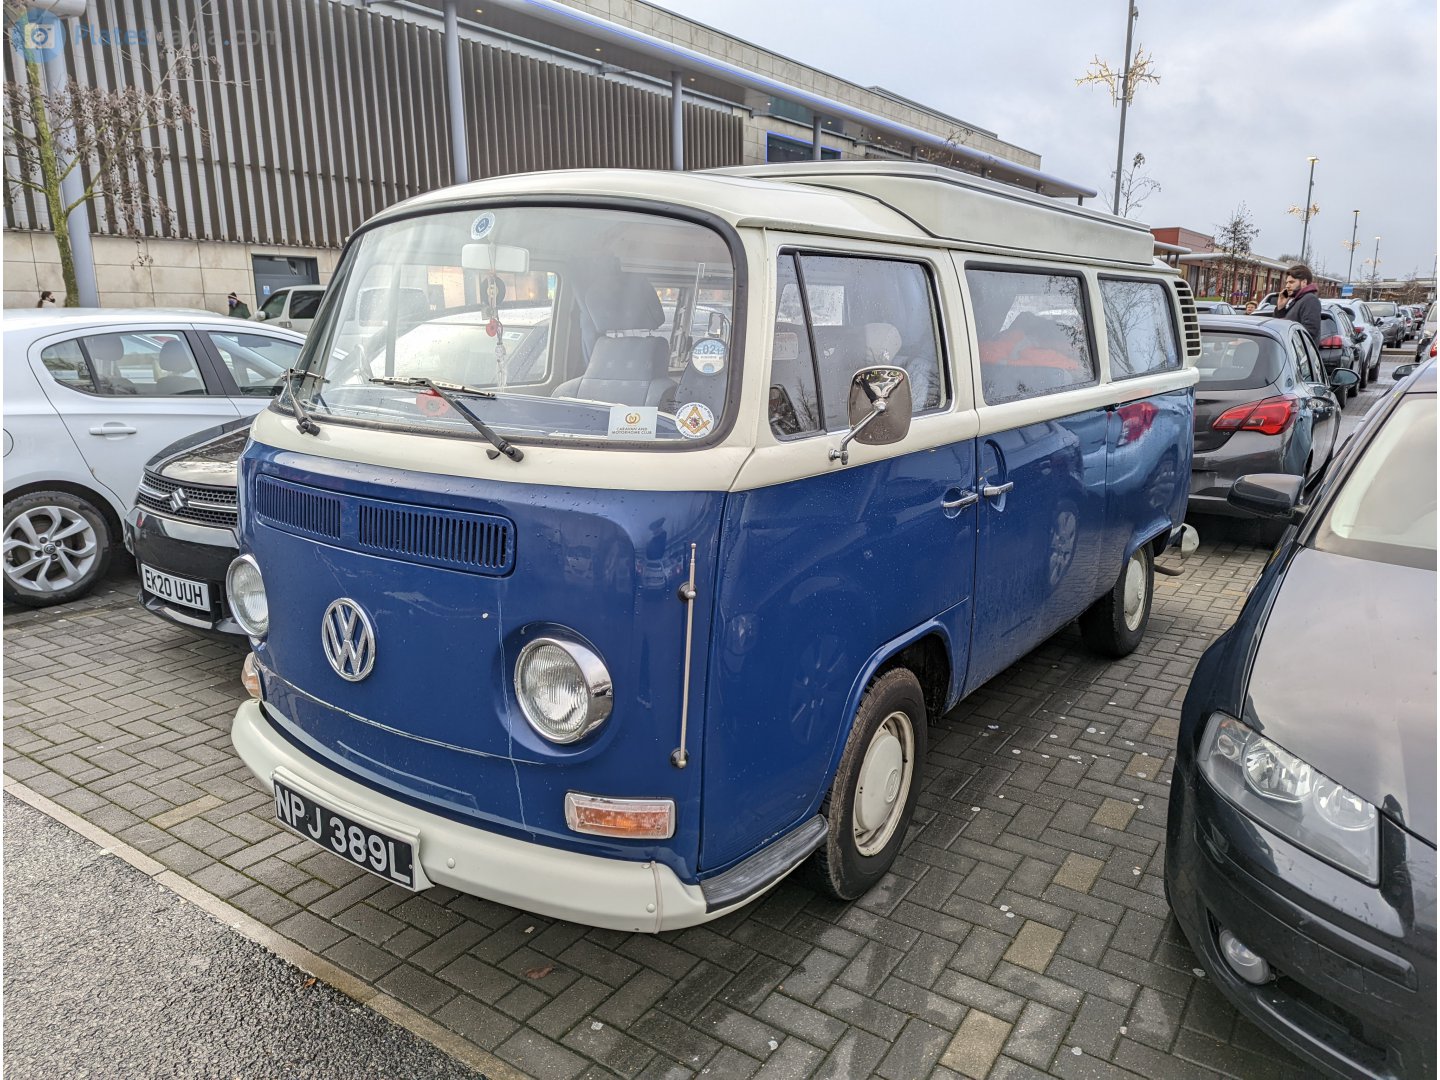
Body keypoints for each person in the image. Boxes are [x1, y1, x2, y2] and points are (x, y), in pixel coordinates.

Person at [1272, 264, 1321, 343]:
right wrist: (1280, 307)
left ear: (1304, 282)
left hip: (1299, 354)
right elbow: (1280, 327)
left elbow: (1309, 333)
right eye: (1287, 283)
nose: (1287, 286)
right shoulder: (1298, 300)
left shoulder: (1310, 300)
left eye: (1291, 282)